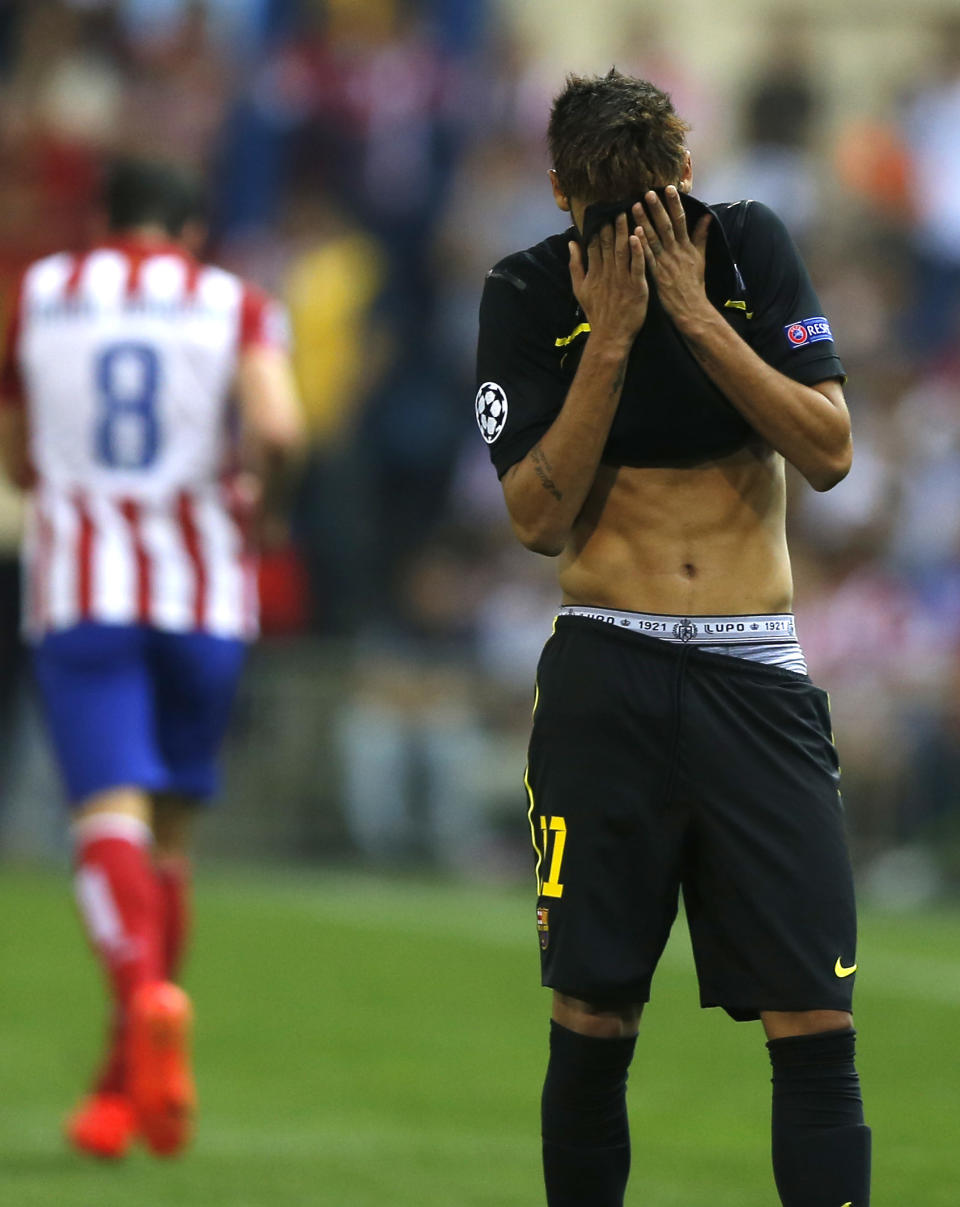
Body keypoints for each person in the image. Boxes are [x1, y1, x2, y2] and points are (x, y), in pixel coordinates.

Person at [475, 70, 869, 1207]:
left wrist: (695, 315)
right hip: (609, 662)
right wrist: (608, 344)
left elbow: (831, 449)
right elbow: (537, 521)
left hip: (756, 671)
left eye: (651, 207)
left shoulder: (746, 249)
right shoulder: (525, 288)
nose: (633, 236)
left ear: (688, 177)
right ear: (560, 196)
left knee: (814, 1012)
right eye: (606, 215)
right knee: (593, 1012)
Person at [0, 159, 303, 1160]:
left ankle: (142, 998)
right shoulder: (233, 301)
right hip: (203, 594)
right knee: (169, 842)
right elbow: (277, 425)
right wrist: (267, 507)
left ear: (103, 220)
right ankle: (120, 1082)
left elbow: (16, 458)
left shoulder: (42, 296)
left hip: (85, 592)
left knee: (105, 824)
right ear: (191, 225)